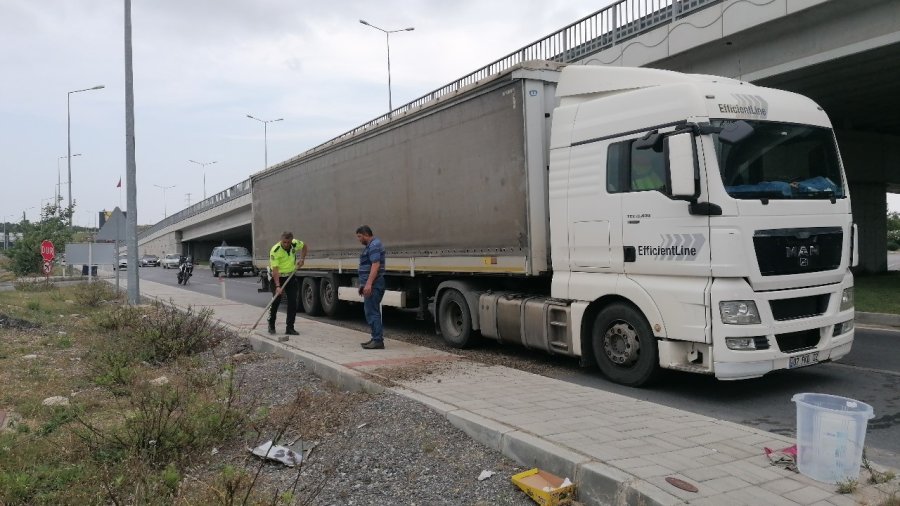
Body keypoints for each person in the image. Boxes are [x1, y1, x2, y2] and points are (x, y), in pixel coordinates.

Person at [268, 231, 307, 336]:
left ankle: (290, 328)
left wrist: (302, 259)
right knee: (276, 301)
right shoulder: (275, 250)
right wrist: (277, 286)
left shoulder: (295, 243)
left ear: (291, 241)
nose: (286, 244)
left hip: (290, 276)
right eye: (284, 242)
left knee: (293, 302)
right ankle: (271, 324)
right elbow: (275, 270)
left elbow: (304, 246)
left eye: (288, 242)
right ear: (281, 240)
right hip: (278, 277)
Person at [356, 225, 385, 349]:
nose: (359, 239)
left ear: (366, 234)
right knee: (371, 311)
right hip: (373, 283)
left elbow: (375, 265)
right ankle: (375, 338)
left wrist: (368, 284)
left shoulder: (374, 245)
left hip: (374, 284)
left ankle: (378, 340)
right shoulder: (371, 245)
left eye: (359, 236)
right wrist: (363, 285)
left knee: (372, 312)